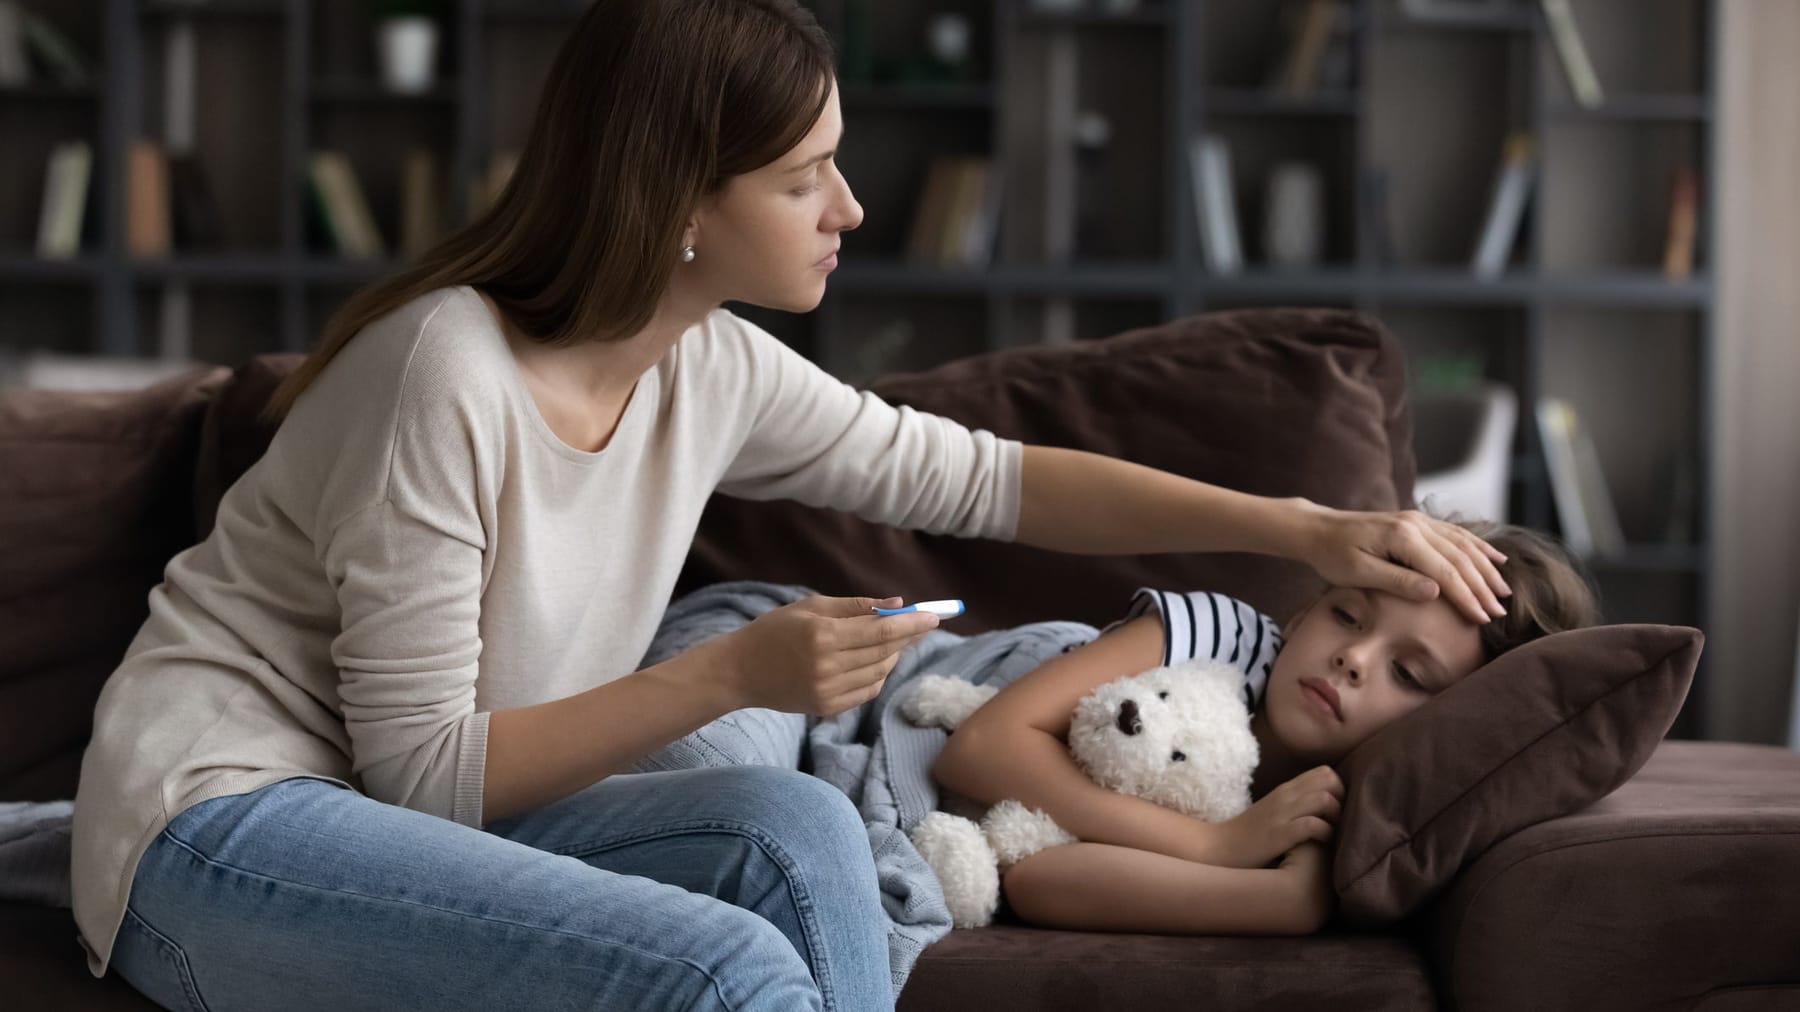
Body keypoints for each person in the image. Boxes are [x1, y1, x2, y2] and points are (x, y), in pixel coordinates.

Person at [70, 2, 1513, 1010]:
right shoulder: (445, 376)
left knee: (802, 831)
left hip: (426, 831)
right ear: (683, 198)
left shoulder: (709, 364)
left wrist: (1307, 531)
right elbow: (423, 778)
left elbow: (988, 474)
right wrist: (733, 676)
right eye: (807, 174)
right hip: (231, 832)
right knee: (725, 975)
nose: (850, 208)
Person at [930, 519, 1599, 937]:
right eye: (1347, 616)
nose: (1354, 658)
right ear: (1306, 610)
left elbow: (1040, 880)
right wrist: (1212, 847)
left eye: (1411, 675)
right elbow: (982, 746)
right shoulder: (1219, 637)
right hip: (925, 687)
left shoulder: (1337, 813)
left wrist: (1287, 899)